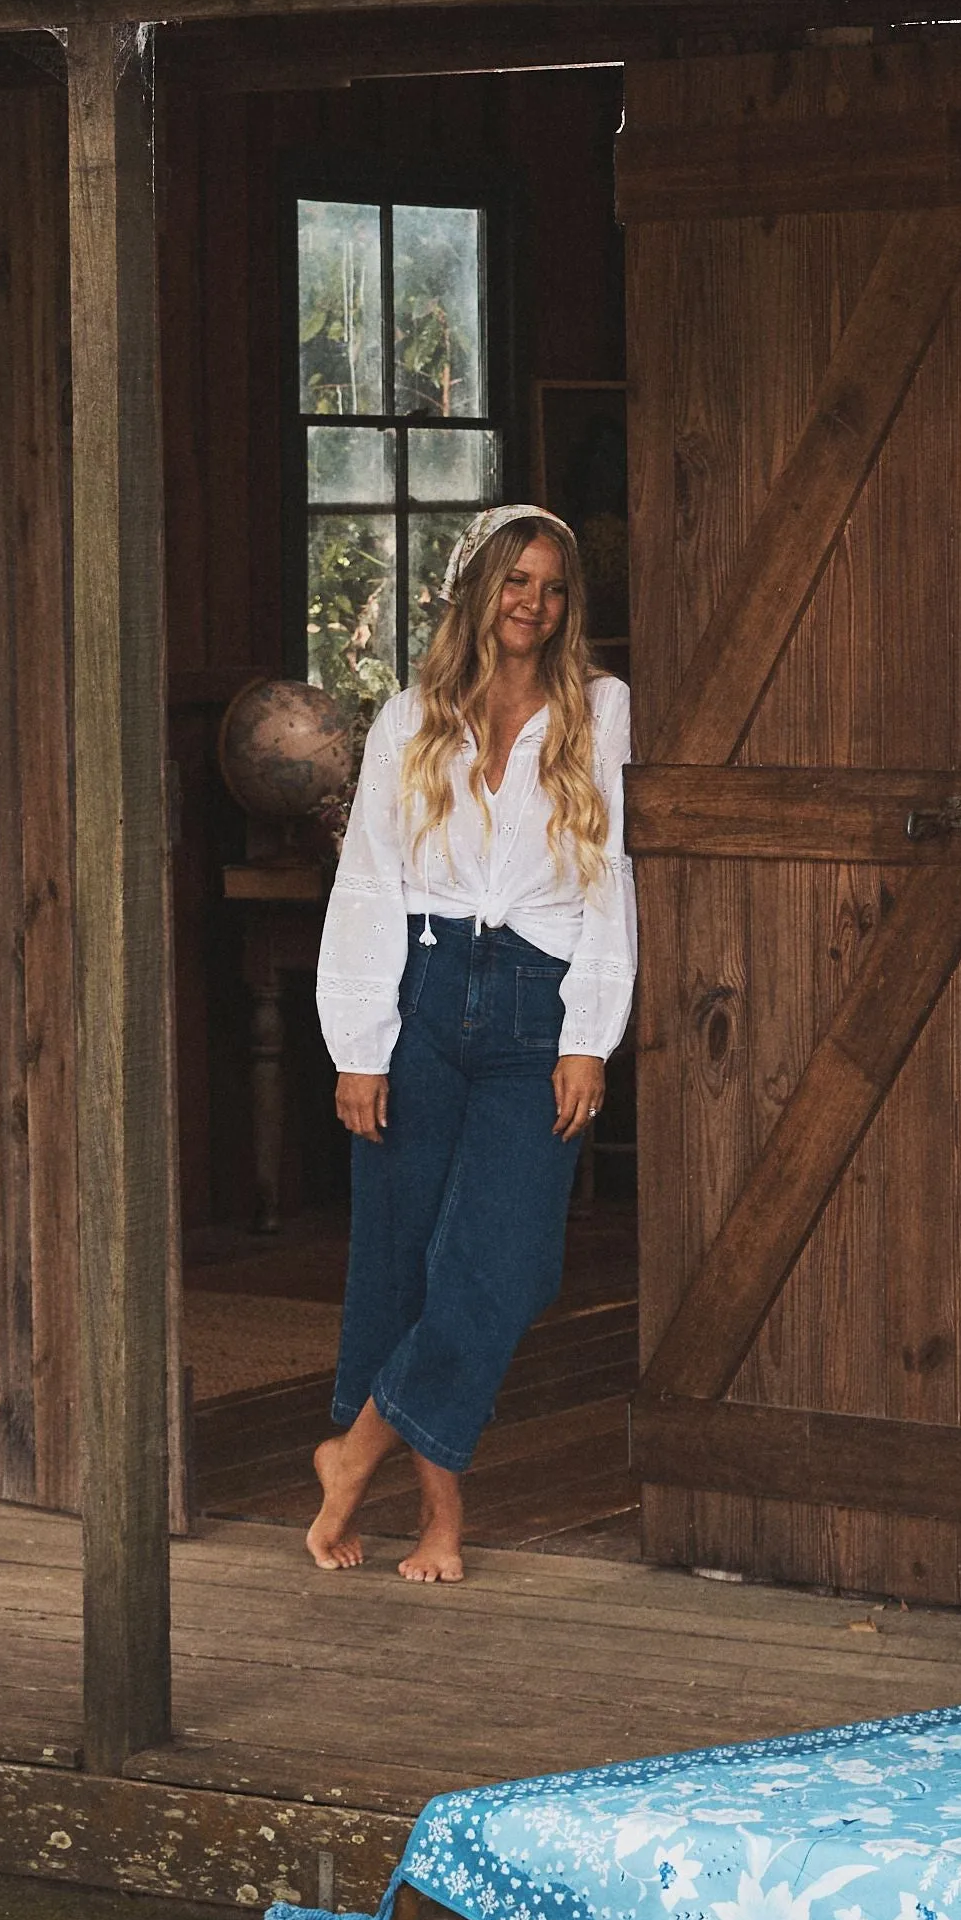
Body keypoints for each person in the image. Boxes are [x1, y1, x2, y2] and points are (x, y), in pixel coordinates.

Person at [307, 506, 633, 1584]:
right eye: (514, 580)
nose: (531, 603)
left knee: (508, 1260)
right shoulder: (410, 717)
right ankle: (438, 1522)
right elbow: (368, 874)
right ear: (478, 587)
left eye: (549, 586)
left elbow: (608, 878)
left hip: (536, 1005)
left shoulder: (597, 710)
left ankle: (351, 1449)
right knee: (402, 1260)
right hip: (422, 989)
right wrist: (358, 1041)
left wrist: (588, 1033)